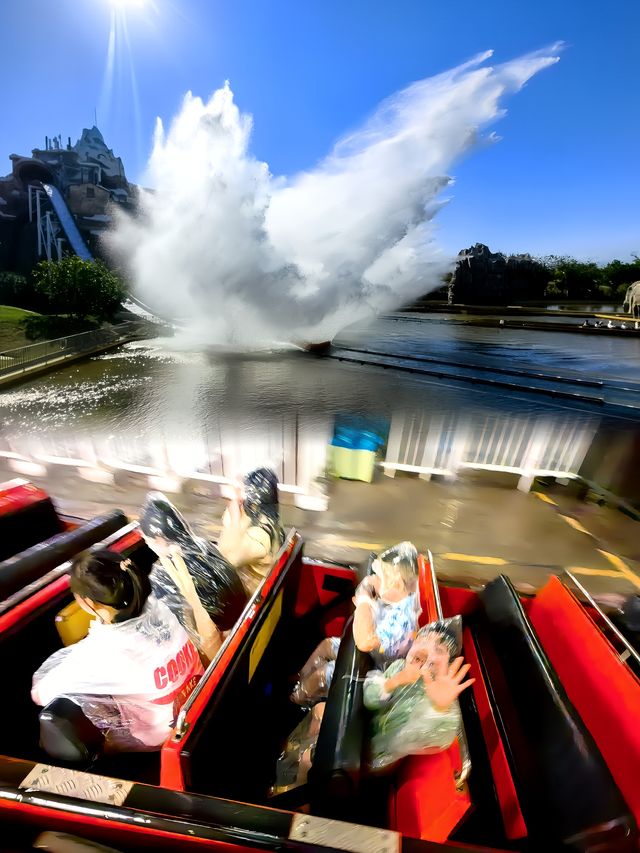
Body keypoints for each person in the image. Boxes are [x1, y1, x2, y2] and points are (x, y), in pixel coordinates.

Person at [32, 549, 203, 752]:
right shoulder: (164, 606)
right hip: (198, 708)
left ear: (86, 603)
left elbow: (40, 693)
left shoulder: (102, 652)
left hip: (162, 739)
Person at [139, 493, 247, 659]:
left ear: (159, 539)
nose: (147, 544)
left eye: (147, 539)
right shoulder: (203, 544)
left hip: (216, 646)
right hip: (240, 626)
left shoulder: (164, 574)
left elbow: (171, 627)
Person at [363, 619, 474, 770]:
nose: (426, 649)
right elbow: (369, 700)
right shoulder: (398, 667)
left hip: (382, 761)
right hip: (363, 731)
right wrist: (393, 682)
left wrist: (439, 708)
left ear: (447, 664)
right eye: (423, 640)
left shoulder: (436, 694)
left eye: (439, 650)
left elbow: (434, 737)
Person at [217, 467, 286, 594]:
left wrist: (234, 509)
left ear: (253, 502)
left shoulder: (259, 536)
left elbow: (226, 560)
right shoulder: (269, 519)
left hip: (251, 596)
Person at [352, 541, 421, 667]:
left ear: (397, 584)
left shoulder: (401, 619)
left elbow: (364, 643)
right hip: (372, 654)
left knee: (322, 673)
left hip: (378, 666)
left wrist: (364, 601)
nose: (374, 580)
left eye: (379, 577)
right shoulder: (396, 601)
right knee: (326, 646)